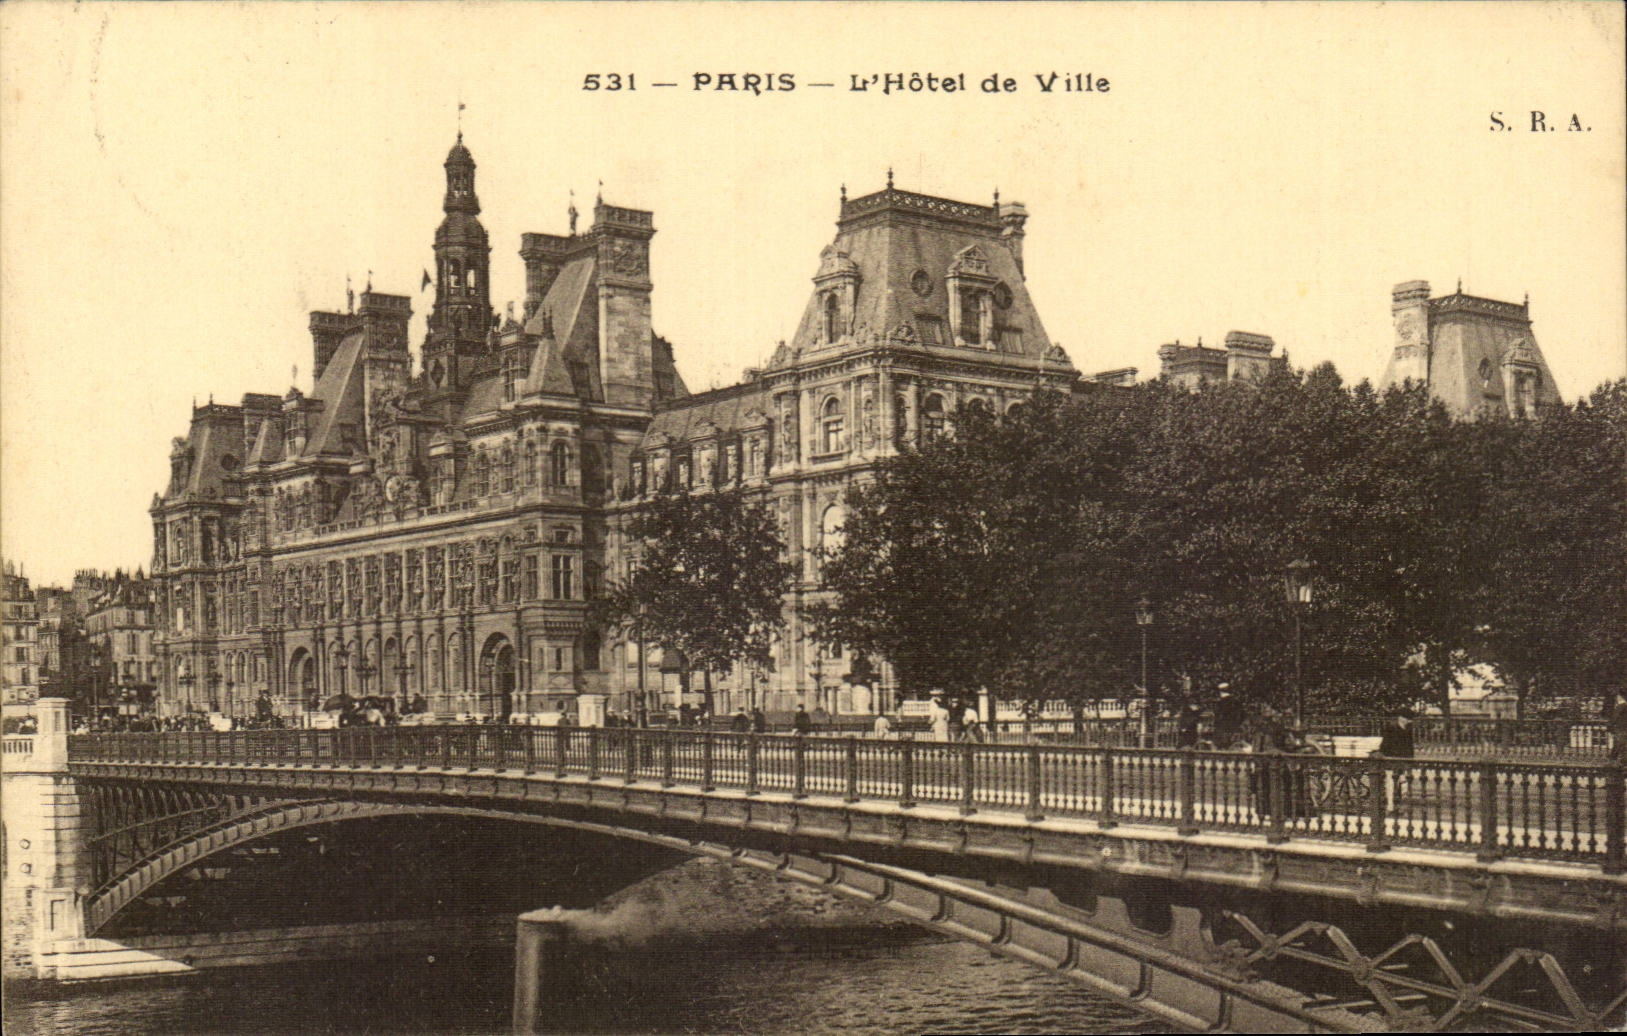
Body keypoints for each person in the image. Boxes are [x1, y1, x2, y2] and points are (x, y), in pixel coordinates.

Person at [1211, 684, 1245, 749]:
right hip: (1234, 728)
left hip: (1222, 729)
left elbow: (1217, 715)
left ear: (1220, 692)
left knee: (1221, 746)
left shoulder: (1220, 702)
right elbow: (1242, 714)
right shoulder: (1236, 701)